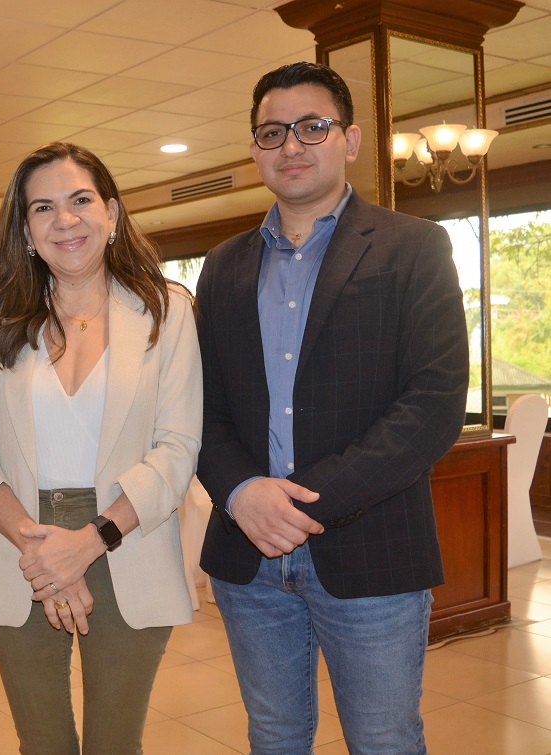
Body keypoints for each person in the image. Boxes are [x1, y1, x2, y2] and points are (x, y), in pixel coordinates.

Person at [195, 62, 469, 754]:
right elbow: (201, 408)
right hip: (248, 554)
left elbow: (432, 405)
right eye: (272, 132)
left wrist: (299, 504)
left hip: (372, 546)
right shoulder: (222, 265)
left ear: (350, 139)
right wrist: (242, 493)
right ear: (254, 149)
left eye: (311, 127)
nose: (291, 144)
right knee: (275, 735)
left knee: (383, 738)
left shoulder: (414, 247)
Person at [0, 142, 201, 754]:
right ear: (25, 230)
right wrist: (39, 548)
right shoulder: (2, 320)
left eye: (80, 200)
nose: (64, 219)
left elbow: (177, 447)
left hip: (126, 538)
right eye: (43, 207)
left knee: (115, 744)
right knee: (41, 744)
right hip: (22, 545)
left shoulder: (166, 311)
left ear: (111, 213)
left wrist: (89, 541)